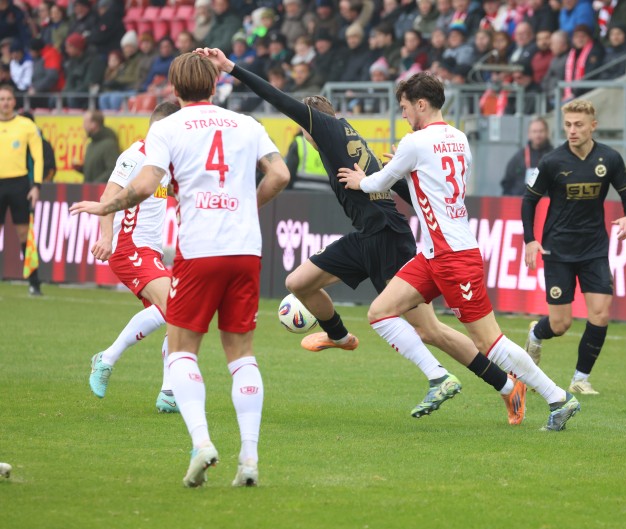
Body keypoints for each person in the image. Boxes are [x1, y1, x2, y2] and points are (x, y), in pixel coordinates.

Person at [201, 49, 528, 424]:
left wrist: (231, 69)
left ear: (310, 123)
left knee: (430, 330)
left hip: (387, 238)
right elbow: (397, 192)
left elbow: (276, 98)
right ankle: (339, 336)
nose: (304, 136)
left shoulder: (325, 128)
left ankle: (480, 381)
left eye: (303, 128)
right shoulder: (348, 136)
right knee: (298, 282)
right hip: (371, 234)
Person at [70, 53, 291, 487]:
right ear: (214, 84)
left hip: (199, 249)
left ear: (174, 89)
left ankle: (203, 442)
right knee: (242, 355)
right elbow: (280, 174)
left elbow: (145, 185)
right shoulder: (246, 123)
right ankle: (249, 461)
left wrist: (106, 206)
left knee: (183, 347)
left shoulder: (166, 128)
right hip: (246, 249)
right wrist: (249, 204)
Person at [338, 72, 580, 431]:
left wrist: (362, 181)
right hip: (436, 253)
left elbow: (378, 183)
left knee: (489, 343)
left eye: (405, 107)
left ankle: (558, 397)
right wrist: (404, 169)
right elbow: (439, 185)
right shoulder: (459, 138)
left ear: (421, 104)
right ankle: (437, 376)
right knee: (381, 312)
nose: (403, 114)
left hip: (454, 257)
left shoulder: (415, 142)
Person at [521, 99, 626, 395]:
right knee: (560, 325)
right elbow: (529, 201)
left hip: (594, 249)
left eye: (578, 125)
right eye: (568, 125)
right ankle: (536, 333)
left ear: (592, 126)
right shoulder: (552, 161)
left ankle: (580, 378)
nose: (572, 131)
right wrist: (530, 240)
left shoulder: (609, 159)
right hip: (558, 250)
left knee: (600, 313)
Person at [86, 101, 182, 414]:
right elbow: (108, 196)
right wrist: (105, 236)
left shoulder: (166, 161)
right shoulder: (135, 155)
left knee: (173, 309)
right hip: (129, 249)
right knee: (177, 306)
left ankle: (109, 359)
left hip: (150, 252)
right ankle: (167, 389)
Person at [0, 84, 43, 296]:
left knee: (24, 233)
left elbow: (38, 156)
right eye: (1, 99)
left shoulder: (26, 125)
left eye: (8, 99)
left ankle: (34, 281)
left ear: (14, 101)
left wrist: (36, 186)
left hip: (19, 184)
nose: (5, 103)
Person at [501, 117, 552, 195]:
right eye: (534, 131)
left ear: (547, 132)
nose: (538, 135)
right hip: (520, 203)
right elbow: (507, 183)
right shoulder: (519, 157)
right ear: (529, 134)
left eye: (541, 131)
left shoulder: (554, 156)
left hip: (546, 204)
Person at [74, 110, 120, 183]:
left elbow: (113, 170)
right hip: (89, 191)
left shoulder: (109, 145)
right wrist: (81, 168)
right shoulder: (91, 144)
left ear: (94, 124)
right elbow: (96, 170)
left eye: (85, 122)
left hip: (101, 191)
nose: (83, 126)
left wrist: (95, 185)